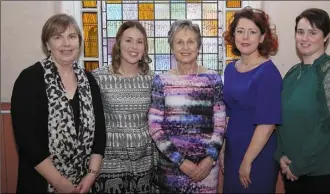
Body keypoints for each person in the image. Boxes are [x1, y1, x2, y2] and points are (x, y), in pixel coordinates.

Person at [10, 14, 106, 193]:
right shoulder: (29, 79)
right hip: (40, 183)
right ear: (47, 44)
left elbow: (100, 133)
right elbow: (26, 140)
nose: (66, 44)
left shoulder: (89, 80)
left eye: (71, 36)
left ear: (79, 41)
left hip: (83, 183)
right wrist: (60, 182)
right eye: (57, 37)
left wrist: (92, 174)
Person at [275, 8, 330, 193]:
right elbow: (278, 119)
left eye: (313, 33)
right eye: (300, 32)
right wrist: (280, 156)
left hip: (327, 174)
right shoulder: (292, 73)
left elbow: (328, 125)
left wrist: (298, 166)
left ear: (326, 36)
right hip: (292, 170)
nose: (305, 38)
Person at [148, 19, 226, 193]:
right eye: (179, 42)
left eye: (190, 41)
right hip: (172, 170)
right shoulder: (161, 81)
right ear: (172, 47)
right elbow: (154, 127)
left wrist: (209, 158)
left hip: (206, 170)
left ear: (198, 46)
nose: (185, 47)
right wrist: (180, 161)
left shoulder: (213, 80)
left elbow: (220, 125)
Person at [91, 21, 158, 193]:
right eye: (128, 40)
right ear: (119, 44)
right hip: (109, 163)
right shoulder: (98, 78)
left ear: (145, 48)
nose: (134, 46)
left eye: (139, 41)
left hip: (143, 162)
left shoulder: (153, 79)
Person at [221, 7, 282, 193]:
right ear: (233, 36)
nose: (245, 37)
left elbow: (268, 123)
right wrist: (223, 150)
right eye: (240, 31)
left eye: (252, 32)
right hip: (232, 151)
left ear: (262, 37)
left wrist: (247, 161)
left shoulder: (268, 72)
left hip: (257, 155)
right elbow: (228, 114)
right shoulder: (230, 70)